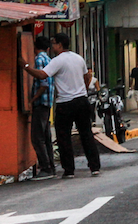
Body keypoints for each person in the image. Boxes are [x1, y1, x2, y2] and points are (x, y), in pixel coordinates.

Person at [41, 32, 101, 177]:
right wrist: (83, 90)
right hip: (81, 100)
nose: (52, 46)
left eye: (54, 43)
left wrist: (25, 66)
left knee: (64, 137)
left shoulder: (57, 60)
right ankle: (94, 166)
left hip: (65, 103)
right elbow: (87, 76)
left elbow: (42, 75)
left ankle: (69, 170)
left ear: (60, 45)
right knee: (86, 134)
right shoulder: (78, 58)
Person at [23, 35, 56, 179]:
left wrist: (32, 100)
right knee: (45, 136)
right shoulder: (49, 59)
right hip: (47, 103)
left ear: (35, 47)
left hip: (40, 103)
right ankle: (51, 167)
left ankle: (46, 167)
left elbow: (43, 84)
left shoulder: (39, 60)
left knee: (37, 138)